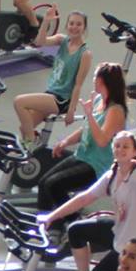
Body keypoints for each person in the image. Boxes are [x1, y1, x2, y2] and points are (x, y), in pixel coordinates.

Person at [51, 131, 136, 271]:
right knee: (75, 231)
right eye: (117, 146)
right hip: (120, 234)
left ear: (135, 151)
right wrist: (52, 217)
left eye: (125, 147)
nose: (120, 149)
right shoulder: (112, 174)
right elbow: (85, 198)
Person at [30, 50, 116, 219]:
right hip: (83, 155)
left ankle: (71, 221)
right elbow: (86, 129)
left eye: (95, 79)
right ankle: (44, 221)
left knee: (54, 185)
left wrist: (90, 115)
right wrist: (65, 142)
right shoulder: (99, 100)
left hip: (98, 166)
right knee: (43, 183)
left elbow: (101, 140)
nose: (93, 81)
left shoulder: (116, 110)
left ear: (103, 82)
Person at [13, 9, 92, 146]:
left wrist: (71, 111)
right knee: (25, 127)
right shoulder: (62, 40)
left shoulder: (85, 54)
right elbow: (39, 42)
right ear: (67, 25)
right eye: (71, 23)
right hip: (51, 93)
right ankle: (34, 146)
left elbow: (78, 84)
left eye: (79, 24)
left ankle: (30, 143)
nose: (74, 27)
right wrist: (46, 22)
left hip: (61, 99)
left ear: (84, 28)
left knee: (19, 102)